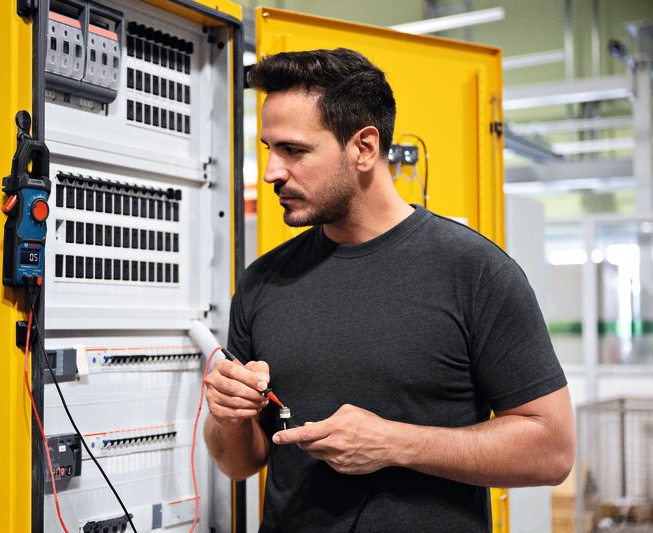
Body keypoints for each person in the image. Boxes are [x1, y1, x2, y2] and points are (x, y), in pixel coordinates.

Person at [203, 48, 575, 532]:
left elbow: (552, 450)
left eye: (292, 150)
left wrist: (395, 443)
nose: (272, 172)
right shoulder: (262, 281)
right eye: (268, 148)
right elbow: (242, 463)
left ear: (364, 147)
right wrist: (228, 415)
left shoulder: (474, 271)